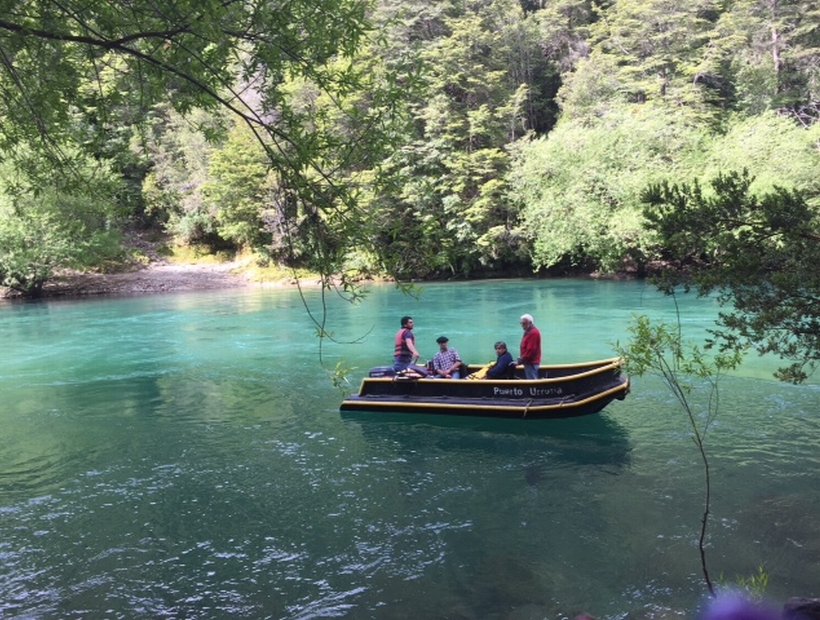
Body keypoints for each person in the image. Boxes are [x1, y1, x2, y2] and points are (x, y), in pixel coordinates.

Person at [517, 313, 541, 380]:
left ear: (530, 323)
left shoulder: (533, 333)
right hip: (528, 362)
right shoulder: (528, 331)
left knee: (532, 381)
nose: (522, 325)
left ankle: (535, 390)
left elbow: (531, 350)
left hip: (531, 363)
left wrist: (521, 360)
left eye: (524, 323)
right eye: (521, 323)